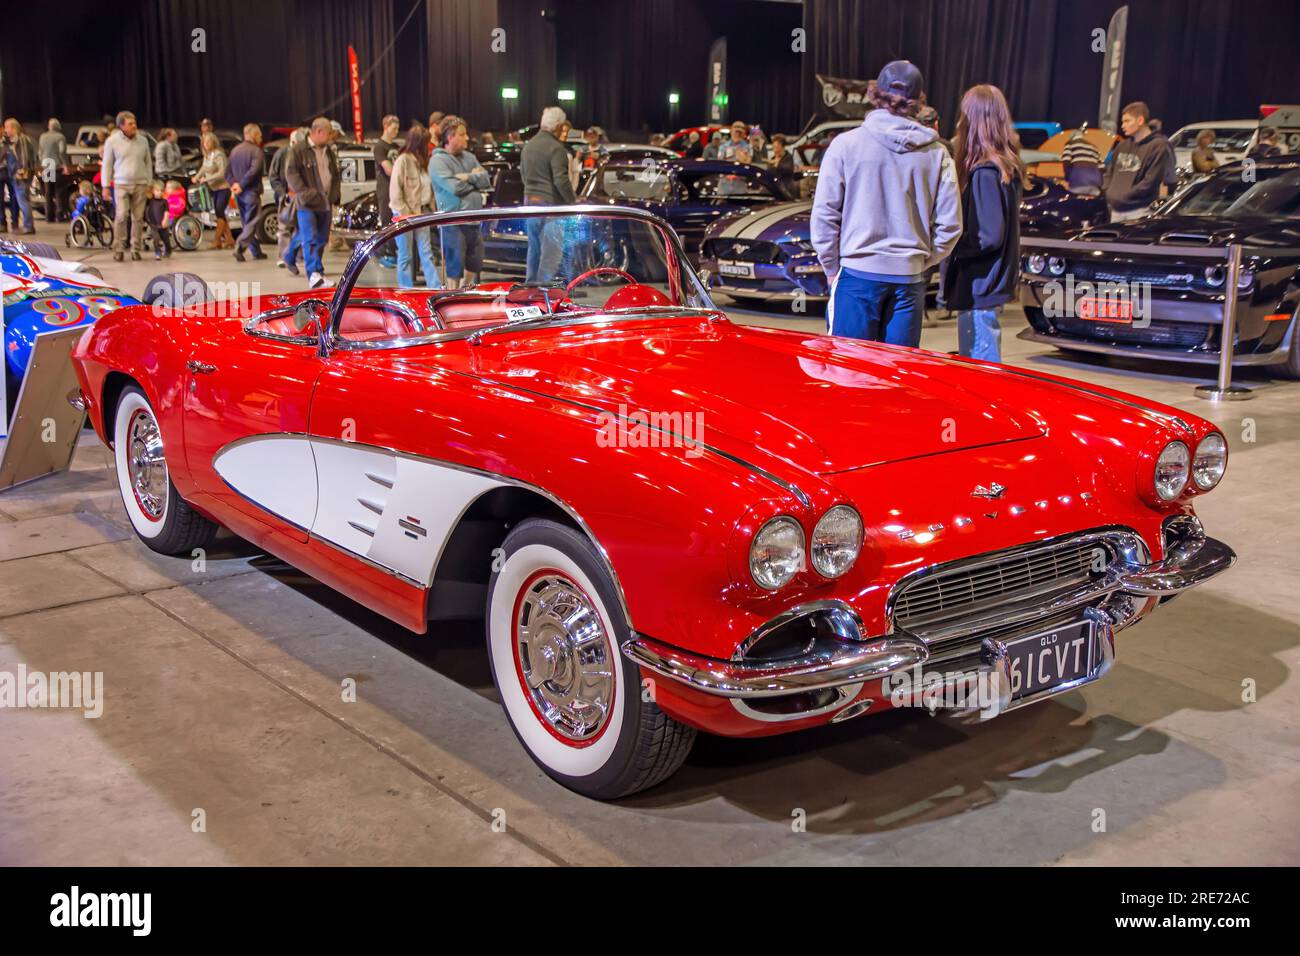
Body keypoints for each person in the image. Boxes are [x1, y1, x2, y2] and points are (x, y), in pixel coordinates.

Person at [811, 60, 961, 347]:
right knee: (898, 377)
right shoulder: (938, 154)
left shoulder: (845, 145)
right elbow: (951, 225)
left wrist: (831, 267)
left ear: (875, 94)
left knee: (848, 376)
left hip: (857, 276)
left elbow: (824, 215)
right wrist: (919, 259)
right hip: (909, 280)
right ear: (919, 101)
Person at [938, 84, 1024, 363]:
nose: (960, 122)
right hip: (987, 285)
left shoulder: (986, 172)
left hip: (980, 286)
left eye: (964, 115)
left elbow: (987, 235)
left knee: (981, 371)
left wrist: (949, 245)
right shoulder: (1004, 166)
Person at [430, 118, 491, 289]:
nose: (467, 138)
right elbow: (454, 187)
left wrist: (468, 177)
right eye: (462, 135)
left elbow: (485, 180)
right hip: (453, 222)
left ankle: (463, 290)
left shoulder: (470, 157)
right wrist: (474, 179)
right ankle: (452, 294)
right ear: (450, 137)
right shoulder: (438, 161)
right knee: (454, 264)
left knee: (476, 260)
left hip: (473, 219)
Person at [519, 106, 576, 283]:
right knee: (551, 253)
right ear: (558, 126)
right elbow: (561, 180)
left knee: (534, 248)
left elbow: (523, 176)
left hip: (530, 202)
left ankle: (530, 288)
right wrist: (572, 202)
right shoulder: (556, 148)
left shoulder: (528, 147)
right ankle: (543, 291)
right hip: (550, 205)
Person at [285, 117, 341, 289]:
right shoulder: (298, 150)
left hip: (325, 203)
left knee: (321, 238)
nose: (331, 136)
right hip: (307, 204)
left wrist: (335, 196)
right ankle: (314, 275)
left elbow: (335, 174)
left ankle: (294, 259)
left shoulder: (329, 150)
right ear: (318, 132)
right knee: (310, 239)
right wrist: (305, 193)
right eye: (329, 133)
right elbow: (291, 173)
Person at [1103, 101, 1176, 222]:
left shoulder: (1158, 146)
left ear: (1140, 121)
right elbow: (1109, 172)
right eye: (1122, 121)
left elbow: (1150, 181)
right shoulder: (1122, 146)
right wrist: (1108, 192)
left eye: (1127, 121)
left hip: (1139, 211)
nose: (1122, 126)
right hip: (1116, 210)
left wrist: (1124, 196)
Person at [389, 126, 441, 289]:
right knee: (405, 255)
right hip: (404, 214)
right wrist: (405, 213)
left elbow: (428, 189)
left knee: (426, 253)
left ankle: (435, 287)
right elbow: (395, 193)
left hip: (422, 212)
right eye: (425, 142)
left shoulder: (424, 161)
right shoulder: (403, 160)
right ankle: (405, 289)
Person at [102, 110, 153, 259]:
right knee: (122, 215)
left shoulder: (143, 141)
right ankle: (119, 249)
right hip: (121, 184)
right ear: (122, 126)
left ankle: (135, 249)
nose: (134, 126)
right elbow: (107, 164)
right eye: (130, 123)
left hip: (140, 184)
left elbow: (148, 163)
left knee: (138, 218)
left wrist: (149, 182)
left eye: (135, 122)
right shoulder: (112, 141)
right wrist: (105, 185)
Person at [229, 123, 266, 261]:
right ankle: (239, 247)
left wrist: (234, 184)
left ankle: (256, 250)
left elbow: (227, 172)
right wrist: (242, 185)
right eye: (260, 135)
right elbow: (254, 171)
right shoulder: (256, 151)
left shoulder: (235, 151)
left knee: (247, 223)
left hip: (239, 194)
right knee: (253, 222)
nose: (261, 138)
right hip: (250, 192)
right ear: (254, 134)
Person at [192, 131, 235, 249]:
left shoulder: (218, 155)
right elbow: (203, 168)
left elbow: (223, 173)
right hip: (214, 188)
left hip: (223, 188)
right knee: (219, 213)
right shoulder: (207, 156)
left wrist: (207, 179)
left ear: (213, 142)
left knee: (220, 212)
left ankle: (216, 240)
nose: (205, 144)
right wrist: (197, 177)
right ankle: (230, 239)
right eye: (204, 142)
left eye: (208, 142)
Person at [271, 128, 305, 272]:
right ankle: (282, 256)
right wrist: (281, 193)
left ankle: (298, 257)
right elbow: (273, 176)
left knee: (300, 228)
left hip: (300, 197)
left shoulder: (302, 154)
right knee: (284, 227)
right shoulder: (282, 154)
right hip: (286, 197)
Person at [2, 119, 39, 233]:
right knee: (22, 199)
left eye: (7, 127)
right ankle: (27, 225)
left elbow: (24, 156)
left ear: (14, 128)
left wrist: (20, 172)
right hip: (16, 175)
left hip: (21, 176)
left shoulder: (21, 139)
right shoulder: (12, 141)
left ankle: (28, 226)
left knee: (23, 200)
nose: (5, 130)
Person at [38, 119, 70, 222]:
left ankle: (49, 216)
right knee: (59, 191)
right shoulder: (60, 137)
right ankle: (60, 215)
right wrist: (65, 165)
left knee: (48, 193)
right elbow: (62, 151)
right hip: (56, 167)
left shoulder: (42, 137)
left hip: (46, 166)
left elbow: (40, 152)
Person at [373, 114, 402, 227]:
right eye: (394, 128)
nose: (396, 131)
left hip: (397, 188)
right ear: (385, 126)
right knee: (388, 221)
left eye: (398, 129)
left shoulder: (396, 146)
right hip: (386, 189)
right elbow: (389, 170)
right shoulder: (379, 147)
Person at [145, 180, 172, 260]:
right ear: (153, 191)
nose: (159, 193)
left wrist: (165, 220)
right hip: (153, 225)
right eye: (157, 190)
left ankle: (168, 250)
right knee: (156, 239)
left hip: (162, 225)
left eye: (161, 191)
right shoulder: (150, 201)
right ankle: (158, 252)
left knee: (166, 239)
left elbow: (167, 212)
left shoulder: (164, 202)